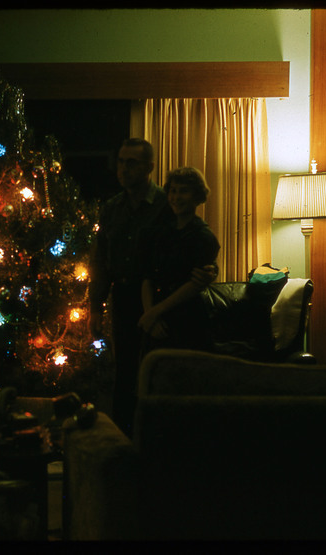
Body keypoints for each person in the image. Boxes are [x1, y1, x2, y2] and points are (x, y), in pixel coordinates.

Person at [88, 139, 215, 437]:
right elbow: (100, 261)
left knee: (158, 375)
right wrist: (96, 306)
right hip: (125, 296)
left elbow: (190, 243)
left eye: (132, 162)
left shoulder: (166, 203)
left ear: (149, 167)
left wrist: (210, 268)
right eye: (121, 161)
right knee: (125, 374)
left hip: (161, 299)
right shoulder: (111, 209)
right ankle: (122, 444)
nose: (124, 168)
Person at [137, 167, 220, 357]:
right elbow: (148, 276)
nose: (176, 197)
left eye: (184, 191)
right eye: (173, 191)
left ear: (197, 196)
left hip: (187, 320)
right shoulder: (161, 232)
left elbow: (194, 284)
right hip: (156, 320)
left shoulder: (204, 236)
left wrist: (153, 313)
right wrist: (151, 316)